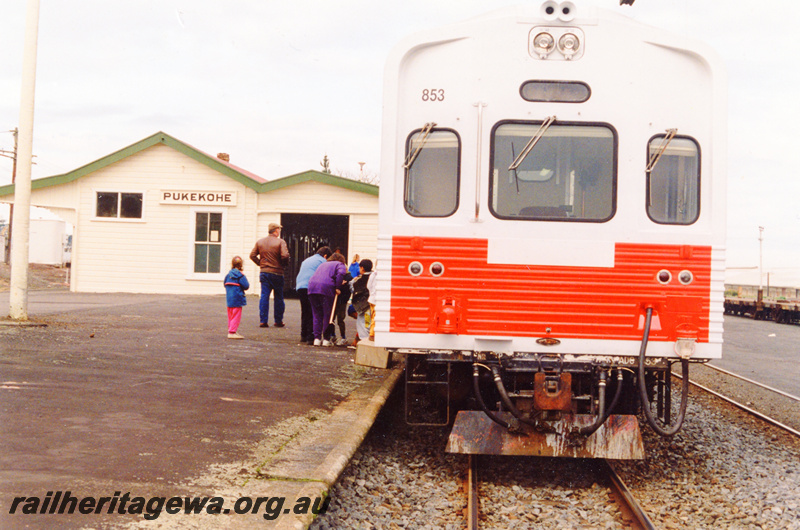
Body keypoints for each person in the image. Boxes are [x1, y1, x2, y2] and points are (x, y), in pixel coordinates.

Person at [250, 222, 290, 328]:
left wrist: (261, 264)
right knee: (279, 297)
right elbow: (285, 255)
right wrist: (284, 265)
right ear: (276, 230)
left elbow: (252, 255)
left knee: (264, 296)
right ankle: (278, 320)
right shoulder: (280, 242)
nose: (279, 231)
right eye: (279, 229)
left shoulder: (260, 242)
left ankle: (263, 321)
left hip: (264, 272)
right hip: (277, 272)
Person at [307, 252, 347, 346]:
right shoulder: (339, 264)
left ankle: (316, 339)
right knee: (327, 315)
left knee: (317, 314)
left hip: (312, 287)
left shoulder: (323, 264)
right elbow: (341, 273)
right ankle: (326, 339)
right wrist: (338, 287)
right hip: (326, 289)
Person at [295, 246, 332, 345]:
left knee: (305, 311)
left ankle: (303, 334)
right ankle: (310, 336)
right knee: (313, 311)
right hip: (311, 286)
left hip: (300, 285)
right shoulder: (323, 262)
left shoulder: (307, 260)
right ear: (325, 256)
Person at [224, 256, 249, 339]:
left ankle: (231, 329)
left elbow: (224, 284)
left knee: (230, 315)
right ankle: (232, 332)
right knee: (236, 315)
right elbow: (246, 286)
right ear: (241, 265)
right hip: (238, 298)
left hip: (229, 298)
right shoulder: (240, 275)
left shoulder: (228, 275)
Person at [350, 259, 373, 343]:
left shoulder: (360, 280)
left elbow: (353, 289)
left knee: (364, 324)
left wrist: (352, 282)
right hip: (372, 305)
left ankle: (365, 341)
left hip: (364, 307)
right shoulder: (374, 276)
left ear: (362, 268)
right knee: (370, 323)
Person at [329, 268, 353, 346]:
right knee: (332, 318)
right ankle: (332, 335)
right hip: (335, 300)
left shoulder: (348, 277)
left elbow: (348, 290)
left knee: (340, 319)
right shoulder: (335, 275)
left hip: (342, 301)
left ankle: (343, 337)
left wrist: (340, 286)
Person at [367, 266, 378, 341]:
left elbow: (368, 286)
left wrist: (371, 293)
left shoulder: (373, 274)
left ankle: (372, 332)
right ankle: (372, 334)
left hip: (372, 298)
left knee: (372, 316)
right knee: (375, 316)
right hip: (377, 299)